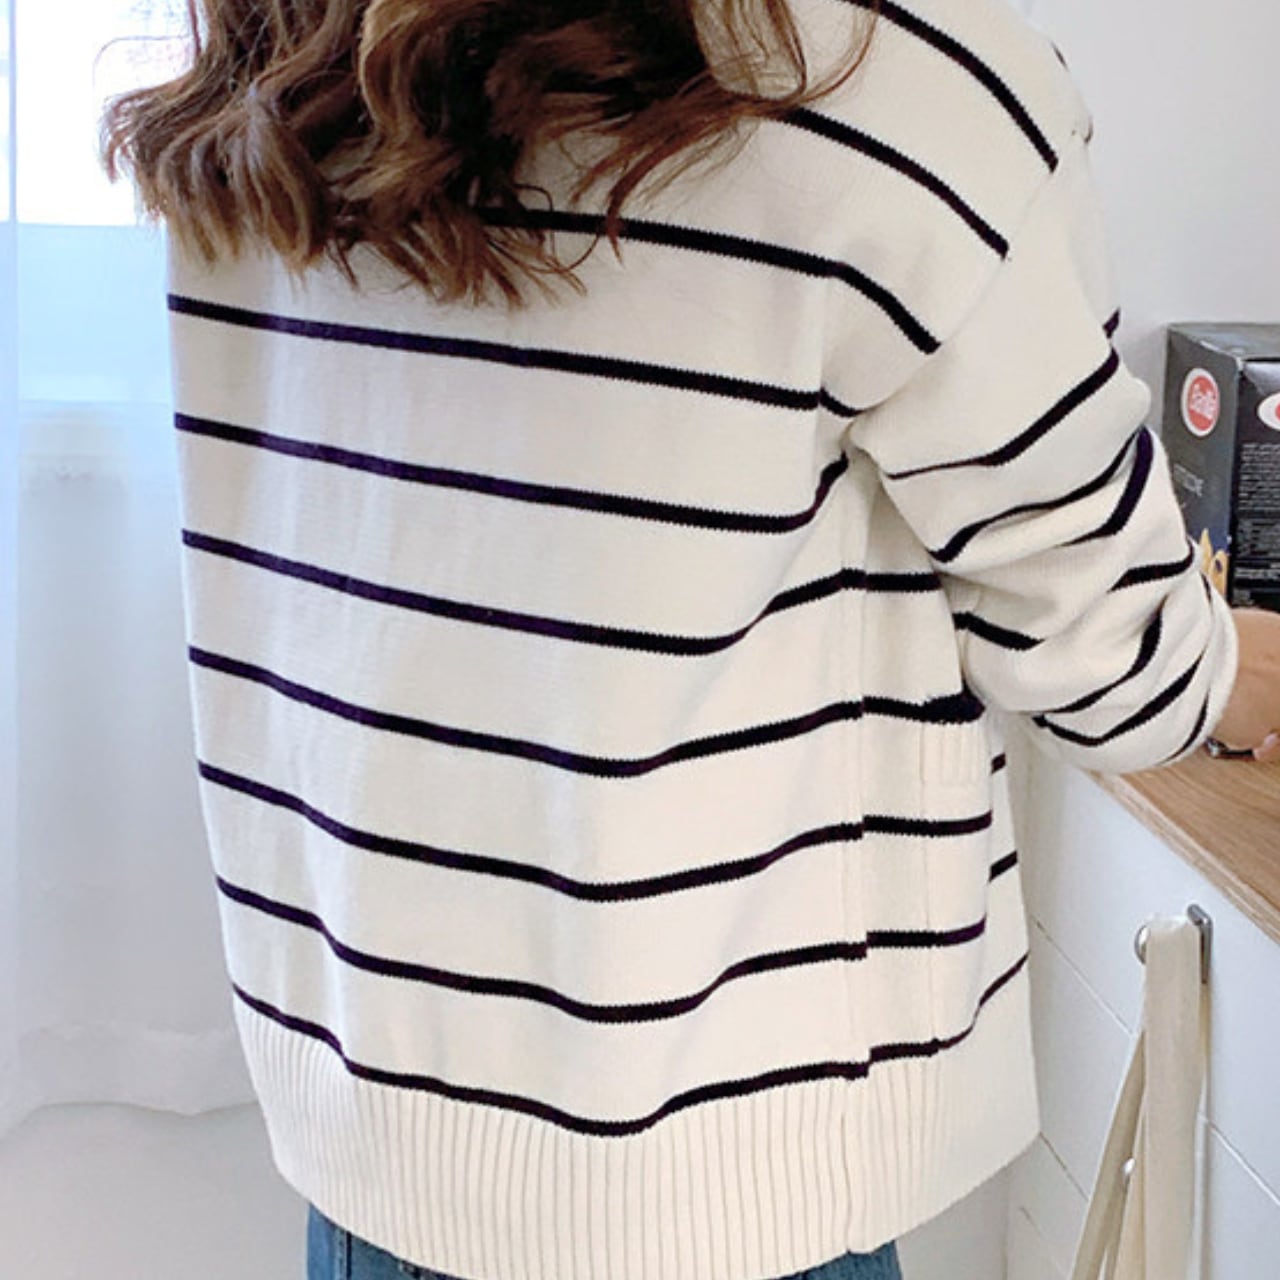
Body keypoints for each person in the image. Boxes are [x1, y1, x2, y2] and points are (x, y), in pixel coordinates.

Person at [101, 1, 1280, 1278]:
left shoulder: (284, 53)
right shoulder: (884, 78)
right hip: (715, 1176)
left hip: (377, 1141)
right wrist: (1229, 666)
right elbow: (1110, 663)